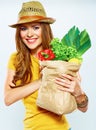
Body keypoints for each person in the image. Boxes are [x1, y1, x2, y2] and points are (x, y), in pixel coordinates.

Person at [4, 1, 88, 130]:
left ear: (45, 29)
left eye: (35, 27)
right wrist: (42, 80)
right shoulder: (16, 59)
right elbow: (8, 99)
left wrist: (78, 92)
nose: (29, 34)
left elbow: (83, 109)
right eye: (23, 28)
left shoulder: (60, 59)